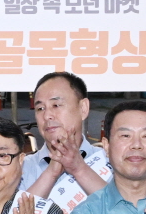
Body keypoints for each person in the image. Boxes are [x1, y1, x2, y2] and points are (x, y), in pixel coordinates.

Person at [20, 72, 107, 205]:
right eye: (40, 108)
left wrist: (79, 169)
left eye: (56, 105)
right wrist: (51, 173)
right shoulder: (20, 168)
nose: (47, 115)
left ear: (83, 108)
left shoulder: (108, 163)